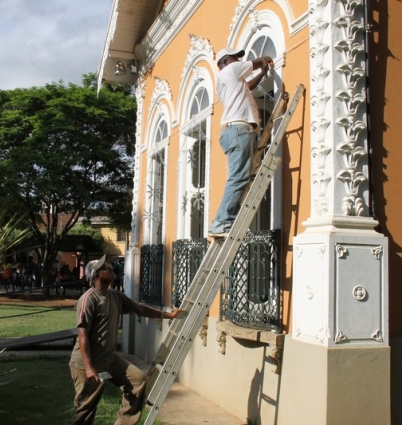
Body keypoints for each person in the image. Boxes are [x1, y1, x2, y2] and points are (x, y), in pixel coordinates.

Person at [69, 254, 183, 424]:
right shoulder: (88, 300)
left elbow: (140, 309)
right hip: (88, 361)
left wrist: (168, 315)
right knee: (86, 408)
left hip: (110, 359)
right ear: (98, 275)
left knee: (138, 381)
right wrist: (89, 367)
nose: (110, 268)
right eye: (106, 267)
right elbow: (82, 334)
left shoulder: (115, 296)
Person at [208, 48, 273, 238]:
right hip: (239, 130)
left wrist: (262, 74)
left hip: (232, 131)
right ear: (226, 61)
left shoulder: (225, 81)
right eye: (236, 58)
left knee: (238, 176)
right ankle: (223, 221)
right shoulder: (231, 70)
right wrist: (264, 61)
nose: (239, 60)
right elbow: (258, 61)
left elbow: (249, 86)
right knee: (238, 178)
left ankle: (224, 219)